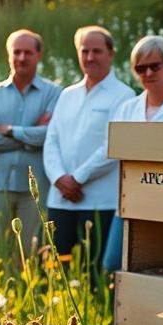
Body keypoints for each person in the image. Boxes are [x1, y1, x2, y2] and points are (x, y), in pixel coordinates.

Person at [102, 35, 163, 272]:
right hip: (130, 200)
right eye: (140, 68)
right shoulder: (126, 109)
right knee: (113, 263)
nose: (148, 73)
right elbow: (114, 151)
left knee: (161, 268)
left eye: (155, 66)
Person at [43, 26, 135, 264]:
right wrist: (59, 178)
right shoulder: (67, 94)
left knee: (93, 274)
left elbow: (112, 146)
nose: (90, 57)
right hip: (60, 198)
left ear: (111, 54)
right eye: (85, 51)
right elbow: (51, 139)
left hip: (98, 201)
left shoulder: (123, 96)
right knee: (58, 270)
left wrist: (77, 179)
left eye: (97, 51)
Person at [0, 29, 62, 249]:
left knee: (29, 251)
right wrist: (30, 135)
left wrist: (10, 130)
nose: (21, 58)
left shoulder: (54, 93)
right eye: (16, 52)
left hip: (35, 189)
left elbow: (50, 136)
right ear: (9, 55)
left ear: (38, 55)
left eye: (28, 52)